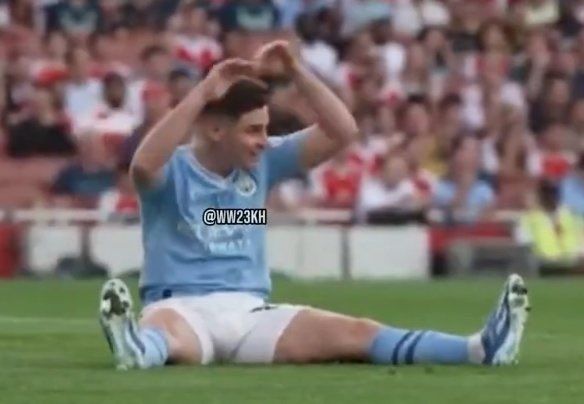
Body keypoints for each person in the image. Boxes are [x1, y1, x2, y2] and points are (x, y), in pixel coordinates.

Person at [98, 40, 530, 370]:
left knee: (358, 332)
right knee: (168, 336)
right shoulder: (172, 170)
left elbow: (342, 131)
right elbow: (142, 166)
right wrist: (203, 90)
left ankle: (478, 349)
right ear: (214, 130)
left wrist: (297, 72)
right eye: (252, 130)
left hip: (250, 311)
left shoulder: (262, 164)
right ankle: (138, 347)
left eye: (265, 129)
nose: (263, 140)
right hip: (182, 306)